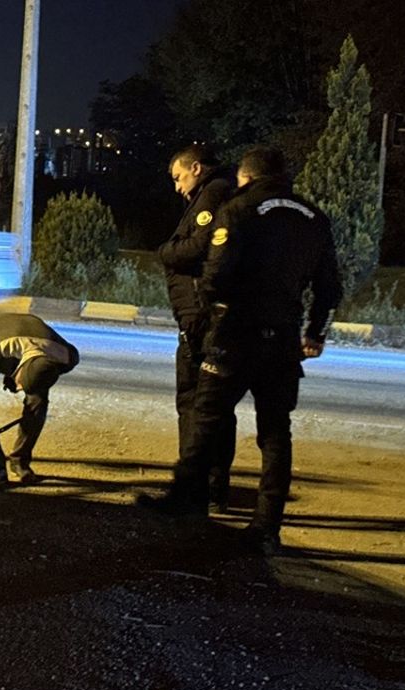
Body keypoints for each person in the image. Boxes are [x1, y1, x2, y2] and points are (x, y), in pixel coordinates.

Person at [139, 146, 343, 555]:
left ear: (246, 177)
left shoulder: (238, 208)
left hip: (235, 335)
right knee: (275, 433)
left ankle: (184, 498)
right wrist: (314, 333)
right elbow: (329, 287)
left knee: (206, 417)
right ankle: (267, 527)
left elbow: (215, 276)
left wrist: (214, 321)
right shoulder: (314, 218)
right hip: (283, 338)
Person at [158, 145, 239, 512]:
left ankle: (201, 485)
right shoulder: (212, 193)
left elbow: (195, 248)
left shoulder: (214, 194)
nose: (177, 187)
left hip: (201, 319)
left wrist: (167, 252)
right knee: (208, 404)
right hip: (200, 317)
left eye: (179, 177)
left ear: (195, 167)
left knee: (197, 403)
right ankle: (211, 483)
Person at [0, 313, 80, 489]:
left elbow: (44, 374)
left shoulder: (68, 356)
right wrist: (11, 374)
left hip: (34, 347)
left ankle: (20, 461)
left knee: (38, 401)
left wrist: (25, 381)